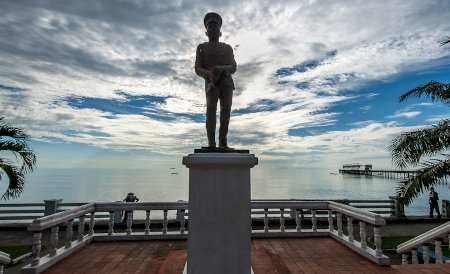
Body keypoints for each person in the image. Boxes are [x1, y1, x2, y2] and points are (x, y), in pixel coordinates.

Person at [195, 12, 237, 149]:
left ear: (220, 32)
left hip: (226, 83)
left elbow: (233, 66)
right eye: (210, 26)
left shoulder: (228, 48)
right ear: (206, 32)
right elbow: (197, 68)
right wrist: (209, 74)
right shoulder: (201, 48)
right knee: (211, 113)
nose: (213, 28)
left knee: (226, 114)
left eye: (215, 26)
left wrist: (221, 69)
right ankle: (211, 144)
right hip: (211, 84)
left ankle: (223, 143)